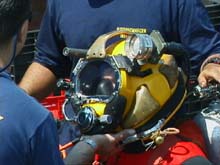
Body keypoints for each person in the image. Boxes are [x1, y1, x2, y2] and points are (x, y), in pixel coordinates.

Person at [18, 0, 220, 163]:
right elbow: (49, 61)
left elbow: (209, 52)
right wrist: (15, 99)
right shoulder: (62, 3)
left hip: (159, 145)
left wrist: (212, 63)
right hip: (86, 140)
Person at [0, 0, 135, 164]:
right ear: (23, 31)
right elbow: (49, 60)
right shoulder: (34, 120)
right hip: (82, 133)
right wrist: (20, 110)